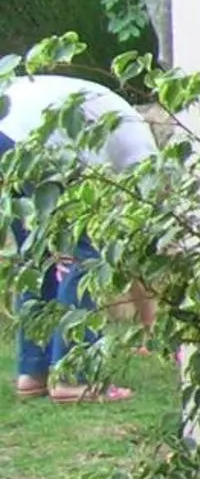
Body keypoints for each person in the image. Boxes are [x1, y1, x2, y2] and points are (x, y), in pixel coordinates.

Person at [0, 74, 156, 403]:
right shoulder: (141, 148)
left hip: (8, 133)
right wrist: (149, 323)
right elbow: (137, 236)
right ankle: (74, 379)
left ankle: (33, 373)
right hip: (36, 143)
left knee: (36, 256)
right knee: (87, 254)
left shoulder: (115, 116)